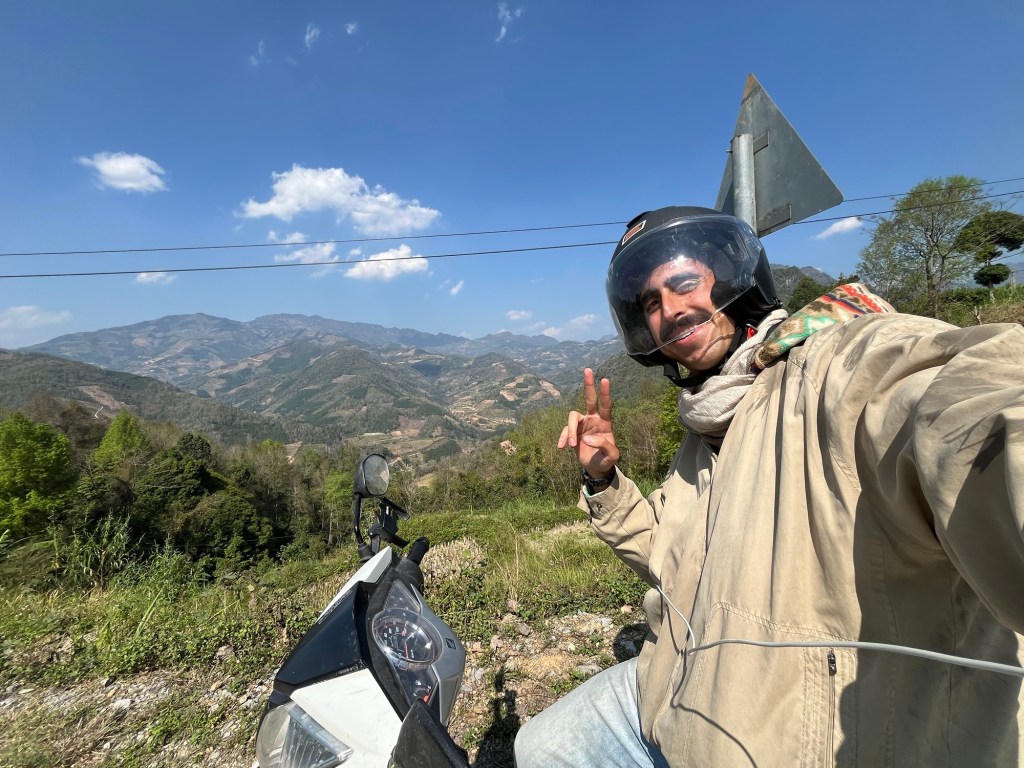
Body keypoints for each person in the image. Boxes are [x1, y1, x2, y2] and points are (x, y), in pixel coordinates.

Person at [514, 206, 1024, 766]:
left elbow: (965, 404)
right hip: (672, 690)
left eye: (683, 283)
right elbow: (667, 553)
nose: (670, 310)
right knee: (540, 746)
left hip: (792, 736)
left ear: (732, 282)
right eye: (651, 303)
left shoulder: (836, 367)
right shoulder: (705, 429)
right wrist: (602, 478)